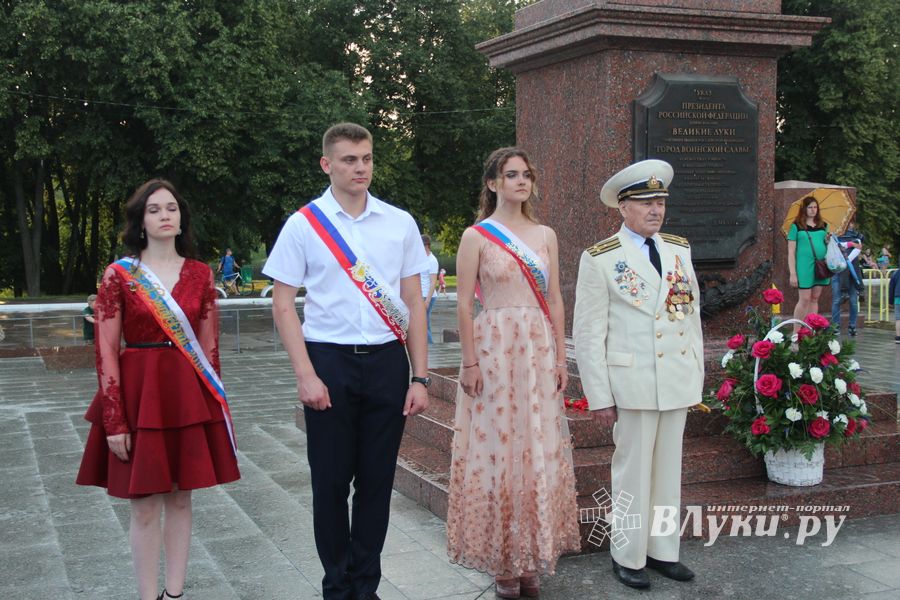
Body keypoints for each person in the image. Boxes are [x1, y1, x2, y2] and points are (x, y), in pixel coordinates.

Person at [264, 122, 430, 600]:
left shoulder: (399, 222)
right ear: (327, 164)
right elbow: (282, 304)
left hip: (386, 365)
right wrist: (305, 375)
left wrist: (419, 375)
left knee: (377, 484)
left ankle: (366, 587)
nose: (361, 168)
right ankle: (336, 587)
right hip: (329, 363)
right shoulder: (304, 224)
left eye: (367, 158)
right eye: (349, 160)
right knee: (332, 485)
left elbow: (414, 302)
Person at [76, 179, 240, 600]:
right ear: (141, 221)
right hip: (137, 395)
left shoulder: (202, 274)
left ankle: (175, 594)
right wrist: (115, 419)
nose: (165, 215)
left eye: (172, 207)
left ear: (181, 217)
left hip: (186, 398)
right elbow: (106, 350)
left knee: (182, 500)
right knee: (145, 505)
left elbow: (210, 350)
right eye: (154, 209)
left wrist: (214, 412)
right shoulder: (120, 275)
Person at [446, 147, 579, 599]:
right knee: (498, 450)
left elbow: (557, 299)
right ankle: (504, 559)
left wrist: (561, 358)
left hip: (538, 348)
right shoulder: (476, 236)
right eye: (511, 174)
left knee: (536, 446)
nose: (521, 181)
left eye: (526, 174)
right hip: (495, 349)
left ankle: (530, 557)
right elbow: (464, 303)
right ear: (493, 183)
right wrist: (469, 362)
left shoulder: (546, 234)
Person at [573, 159, 702, 590]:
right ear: (623, 207)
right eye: (645, 201)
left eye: (660, 200)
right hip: (632, 384)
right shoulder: (601, 258)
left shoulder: (678, 249)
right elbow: (589, 333)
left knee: (668, 472)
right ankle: (626, 554)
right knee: (631, 474)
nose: (655, 209)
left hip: (675, 380)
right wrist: (599, 396)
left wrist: (696, 376)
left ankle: (663, 550)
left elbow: (691, 317)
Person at [787, 196, 830, 327]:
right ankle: (796, 334)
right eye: (810, 207)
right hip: (804, 267)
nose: (813, 210)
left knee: (815, 298)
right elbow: (791, 252)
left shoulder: (824, 225)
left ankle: (811, 331)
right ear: (804, 209)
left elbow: (827, 247)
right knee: (804, 299)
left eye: (815, 207)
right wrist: (793, 273)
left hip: (820, 266)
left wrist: (828, 241)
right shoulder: (796, 226)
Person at [831, 226, 863, 336]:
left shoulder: (856, 235)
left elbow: (858, 247)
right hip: (837, 272)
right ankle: (835, 326)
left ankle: (852, 326)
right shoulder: (834, 234)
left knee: (853, 302)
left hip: (852, 273)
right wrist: (850, 244)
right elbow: (834, 246)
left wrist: (846, 258)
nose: (849, 225)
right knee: (836, 301)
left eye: (851, 223)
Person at [420, 234, 440, 343]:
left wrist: (427, 300)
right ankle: (429, 345)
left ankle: (430, 345)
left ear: (427, 246)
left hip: (428, 296)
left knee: (423, 323)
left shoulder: (432, 260)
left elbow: (433, 282)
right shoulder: (421, 259)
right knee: (424, 322)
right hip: (421, 294)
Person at [889, 268, 900, 344]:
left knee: (898, 318)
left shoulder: (895, 273)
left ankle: (898, 337)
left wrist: (890, 302)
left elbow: (891, 288)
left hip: (897, 298)